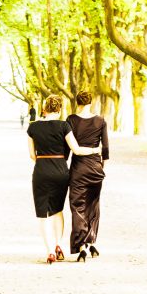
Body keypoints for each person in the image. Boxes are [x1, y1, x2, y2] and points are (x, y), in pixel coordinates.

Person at [27, 94, 100, 264]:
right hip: (60, 171)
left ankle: (50, 251)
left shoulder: (33, 128)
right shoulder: (64, 126)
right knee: (57, 210)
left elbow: (32, 155)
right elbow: (77, 150)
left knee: (43, 215)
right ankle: (59, 245)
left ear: (45, 108)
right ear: (59, 109)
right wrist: (96, 150)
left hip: (41, 170)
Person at [66, 90, 110, 263]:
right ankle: (91, 241)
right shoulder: (100, 121)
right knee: (93, 205)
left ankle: (81, 246)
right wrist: (101, 168)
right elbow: (105, 148)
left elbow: (66, 148)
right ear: (91, 103)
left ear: (78, 103)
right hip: (95, 169)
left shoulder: (71, 120)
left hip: (78, 168)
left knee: (77, 206)